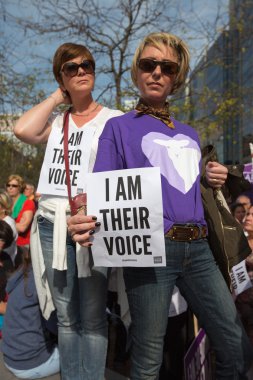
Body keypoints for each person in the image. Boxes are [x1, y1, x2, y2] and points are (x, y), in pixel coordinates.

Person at [68, 32, 253, 379]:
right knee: (148, 359)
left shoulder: (191, 134)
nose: (156, 72)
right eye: (148, 64)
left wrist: (210, 177)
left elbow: (184, 186)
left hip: (200, 250)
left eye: (167, 67)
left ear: (177, 78)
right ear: (138, 70)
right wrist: (81, 216)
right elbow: (102, 188)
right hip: (151, 249)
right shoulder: (117, 127)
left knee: (235, 345)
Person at [14, 42, 123, 380]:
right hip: (51, 223)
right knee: (65, 316)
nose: (81, 71)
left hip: (92, 226)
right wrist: (56, 97)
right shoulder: (57, 121)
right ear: (61, 77)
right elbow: (22, 130)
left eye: (86, 65)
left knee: (92, 317)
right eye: (71, 68)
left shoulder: (114, 119)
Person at [1, 245, 60, 379]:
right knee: (77, 352)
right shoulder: (40, 281)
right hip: (29, 364)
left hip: (10, 357)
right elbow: (55, 326)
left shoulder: (22, 274)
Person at [6, 175, 35, 248]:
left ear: (20, 188)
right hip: (6, 243)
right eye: (8, 185)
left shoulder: (28, 203)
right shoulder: (5, 203)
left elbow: (22, 227)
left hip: (22, 245)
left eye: (14, 185)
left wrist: (3, 222)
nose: (10, 187)